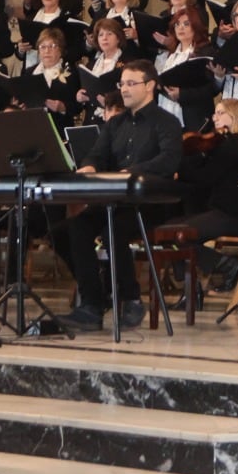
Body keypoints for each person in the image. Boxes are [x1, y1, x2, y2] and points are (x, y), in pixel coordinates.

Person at [56, 61, 184, 331]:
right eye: (122, 84)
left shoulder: (167, 122)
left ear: (149, 86)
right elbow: (96, 153)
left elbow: (168, 161)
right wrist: (89, 165)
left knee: (114, 229)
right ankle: (92, 303)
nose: (124, 89)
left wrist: (132, 171)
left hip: (150, 202)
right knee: (74, 227)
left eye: (130, 83)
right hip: (115, 199)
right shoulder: (116, 124)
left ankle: (132, 299)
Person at [163, 97, 238, 300]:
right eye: (215, 113)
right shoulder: (228, 144)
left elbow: (205, 178)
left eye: (220, 113)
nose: (214, 118)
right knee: (166, 231)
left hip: (237, 216)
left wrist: (181, 167)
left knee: (174, 234)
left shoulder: (234, 145)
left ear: (234, 117)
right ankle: (191, 289)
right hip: (224, 212)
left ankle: (227, 266)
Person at [155, 7, 218, 129]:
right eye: (177, 24)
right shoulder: (171, 53)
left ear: (196, 27)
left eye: (186, 24)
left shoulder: (205, 52)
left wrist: (182, 94)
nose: (180, 28)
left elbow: (210, 89)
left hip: (192, 118)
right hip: (166, 114)